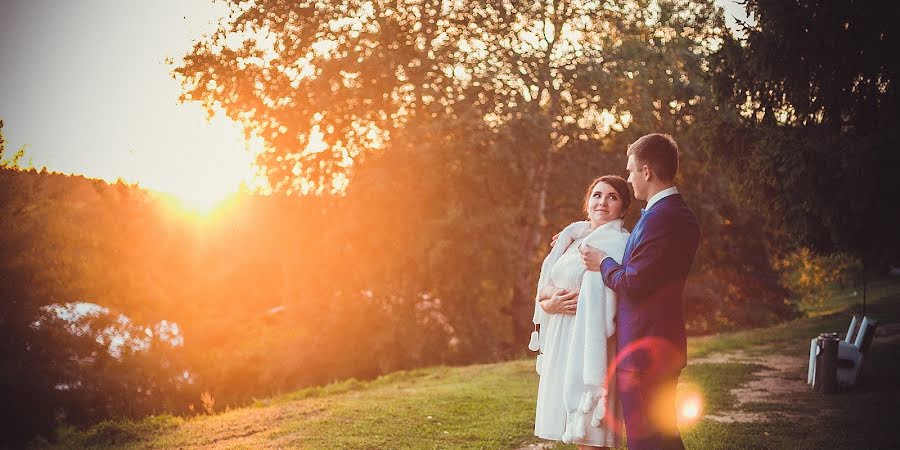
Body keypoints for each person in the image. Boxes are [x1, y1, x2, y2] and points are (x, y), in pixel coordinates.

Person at [580, 133, 701, 450]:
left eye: (632, 170)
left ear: (647, 171)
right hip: (655, 347)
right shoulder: (666, 214)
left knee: (646, 442)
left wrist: (603, 262)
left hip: (645, 354)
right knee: (662, 438)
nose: (630, 178)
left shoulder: (664, 218)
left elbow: (633, 283)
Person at [531, 175, 631, 450]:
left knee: (590, 432)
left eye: (613, 197)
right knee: (573, 432)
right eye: (597, 195)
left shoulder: (620, 244)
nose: (602, 201)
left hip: (590, 341)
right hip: (562, 339)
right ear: (587, 202)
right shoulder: (570, 239)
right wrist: (551, 303)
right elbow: (546, 287)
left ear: (622, 209)